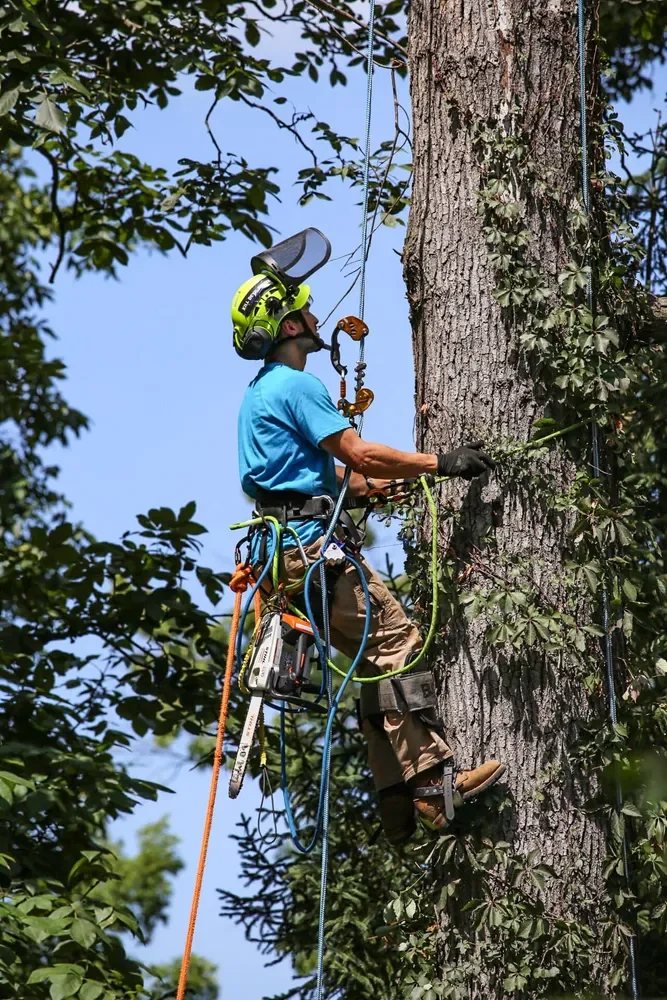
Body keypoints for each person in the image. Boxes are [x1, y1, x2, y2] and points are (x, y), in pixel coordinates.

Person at [232, 264, 505, 845]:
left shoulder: (258, 396)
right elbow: (358, 453)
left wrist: (377, 488)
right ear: (286, 324)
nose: (315, 316)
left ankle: (395, 804)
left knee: (368, 666)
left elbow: (327, 477)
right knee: (396, 644)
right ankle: (433, 784)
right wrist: (439, 462)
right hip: (311, 553)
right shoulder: (296, 384)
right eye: (305, 309)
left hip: (281, 560)